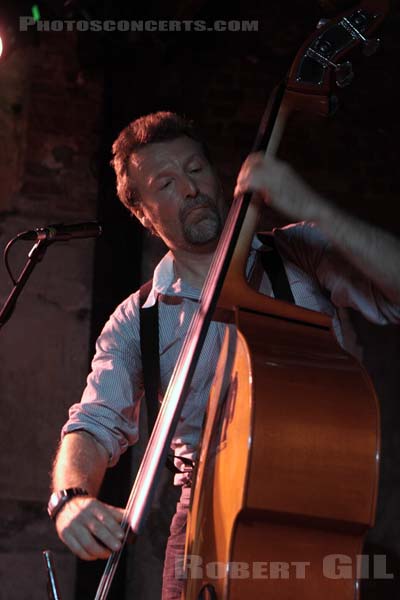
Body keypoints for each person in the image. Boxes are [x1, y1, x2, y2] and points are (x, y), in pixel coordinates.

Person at [49, 111, 400, 599]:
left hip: (315, 497)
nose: (191, 189)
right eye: (167, 183)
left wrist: (312, 205)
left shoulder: (299, 253)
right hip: (202, 519)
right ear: (144, 215)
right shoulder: (135, 321)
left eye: (196, 170)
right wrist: (69, 497)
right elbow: (92, 423)